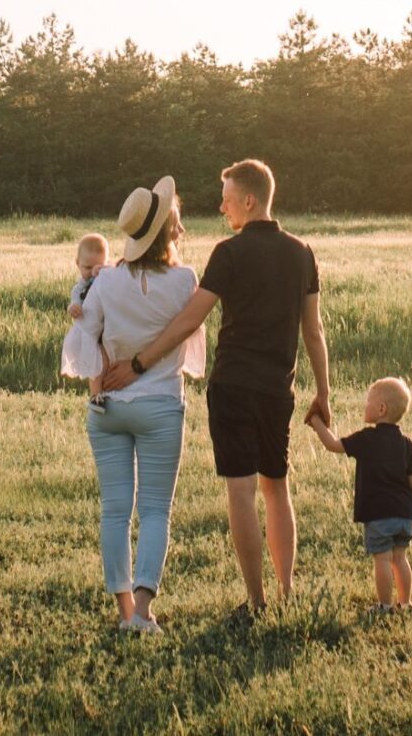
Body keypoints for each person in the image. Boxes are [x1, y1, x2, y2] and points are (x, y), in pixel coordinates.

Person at [104, 159, 330, 617]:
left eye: (227, 199)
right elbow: (314, 330)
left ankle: (257, 601)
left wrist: (140, 362)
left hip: (231, 387)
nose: (222, 206)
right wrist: (323, 391)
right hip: (277, 389)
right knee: (277, 487)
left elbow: (191, 318)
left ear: (249, 200)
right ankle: (287, 594)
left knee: (241, 490)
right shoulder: (302, 252)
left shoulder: (228, 253)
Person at [62, 175, 205, 634]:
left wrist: (98, 381)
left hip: (108, 408)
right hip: (161, 405)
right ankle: (143, 612)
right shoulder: (185, 280)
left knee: (115, 510)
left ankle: (124, 612)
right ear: (168, 232)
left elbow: (86, 338)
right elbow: (189, 338)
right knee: (156, 509)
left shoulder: (105, 281)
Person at [307, 377, 412, 615]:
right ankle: (405, 604)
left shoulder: (367, 439)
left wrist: (316, 422)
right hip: (404, 514)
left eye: (368, 400)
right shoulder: (406, 443)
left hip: (379, 515)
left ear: (381, 409)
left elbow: (333, 445)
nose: (365, 404)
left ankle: (384, 606)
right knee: (400, 558)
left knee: (382, 559)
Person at [61, 233, 113, 412]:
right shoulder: (80, 287)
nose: (92, 273)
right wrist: (73, 308)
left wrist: (106, 271)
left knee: (110, 361)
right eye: (87, 267)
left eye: (98, 266)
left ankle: (112, 391)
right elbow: (74, 302)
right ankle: (96, 397)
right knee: (96, 364)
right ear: (77, 264)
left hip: (108, 329)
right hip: (90, 332)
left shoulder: (108, 277)